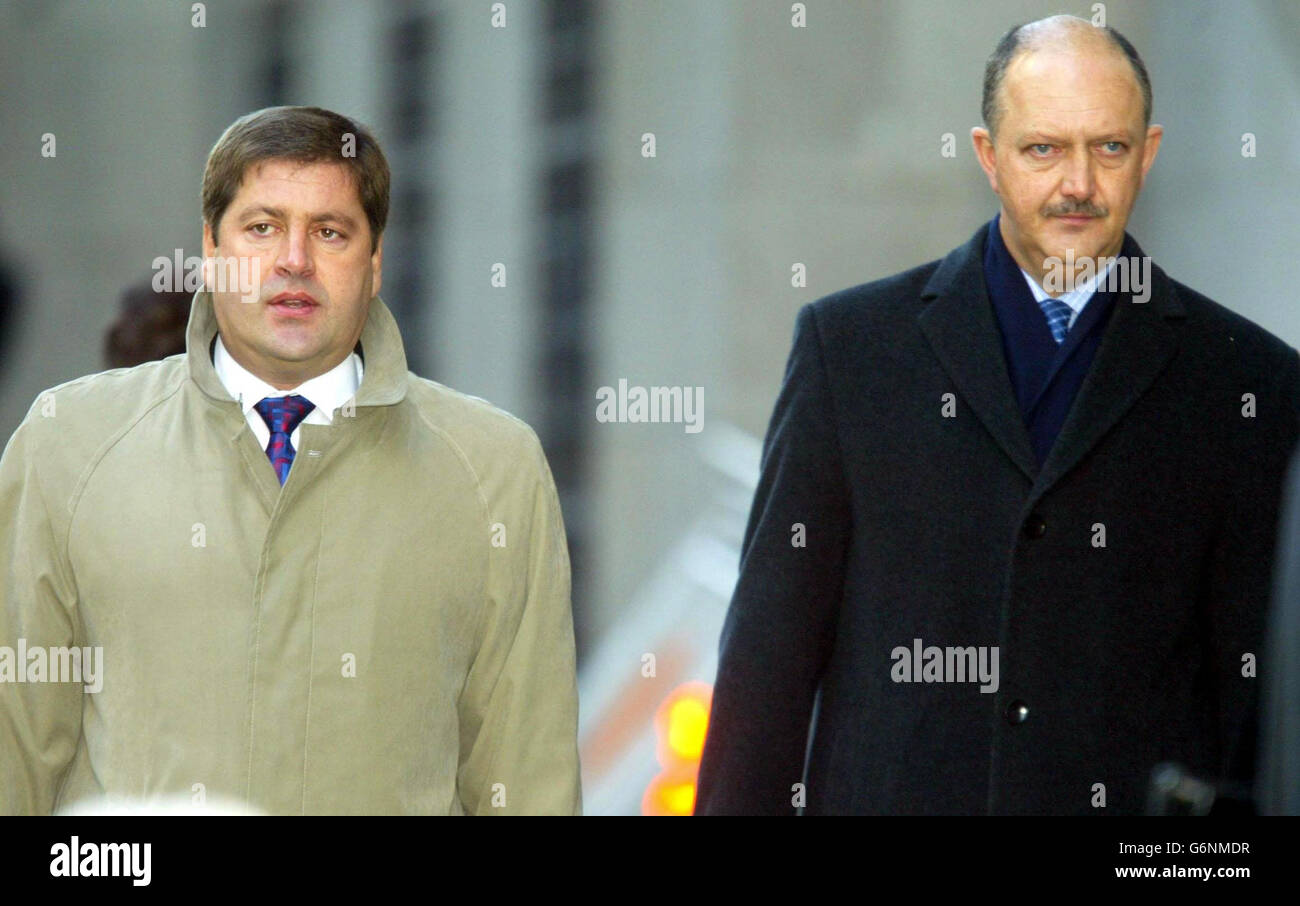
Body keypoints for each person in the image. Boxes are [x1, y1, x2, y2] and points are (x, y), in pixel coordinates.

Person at [695, 16, 1300, 815]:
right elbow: (763, 679)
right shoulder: (849, 355)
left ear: (1148, 154)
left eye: (1108, 148)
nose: (1078, 183)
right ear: (987, 155)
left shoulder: (1251, 384)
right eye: (1043, 148)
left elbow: (1261, 716)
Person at [0, 106, 581, 815]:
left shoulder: (495, 470)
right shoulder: (70, 444)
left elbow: (528, 780)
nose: (294, 261)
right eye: (263, 227)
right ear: (210, 249)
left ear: (374, 264)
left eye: (330, 232)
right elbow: (15, 751)